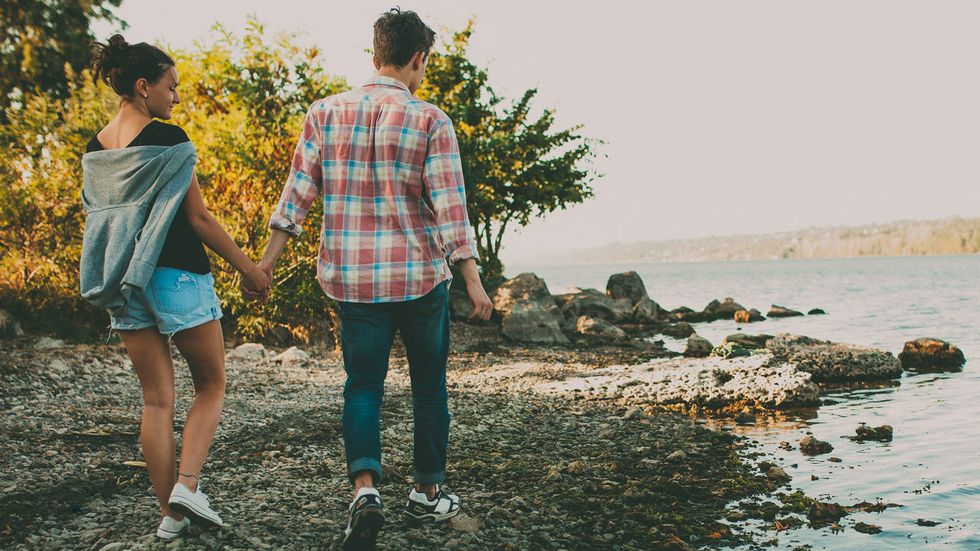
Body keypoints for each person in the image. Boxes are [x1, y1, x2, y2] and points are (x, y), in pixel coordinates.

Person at [252, 8, 493, 550]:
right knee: (429, 387)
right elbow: (451, 208)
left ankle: (365, 491)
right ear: (418, 58)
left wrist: (266, 263)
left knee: (362, 386)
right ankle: (427, 492)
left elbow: (296, 196)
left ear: (375, 53)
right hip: (419, 279)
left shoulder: (324, 113)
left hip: (353, 279)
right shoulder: (431, 120)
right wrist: (473, 280)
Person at [80, 35, 270, 540]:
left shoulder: (95, 150)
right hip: (177, 275)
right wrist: (249, 269)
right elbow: (198, 219)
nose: (177, 97)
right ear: (144, 86)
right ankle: (187, 485)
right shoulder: (168, 139)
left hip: (124, 281)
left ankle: (171, 515)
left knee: (156, 401)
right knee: (211, 386)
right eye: (171, 87)